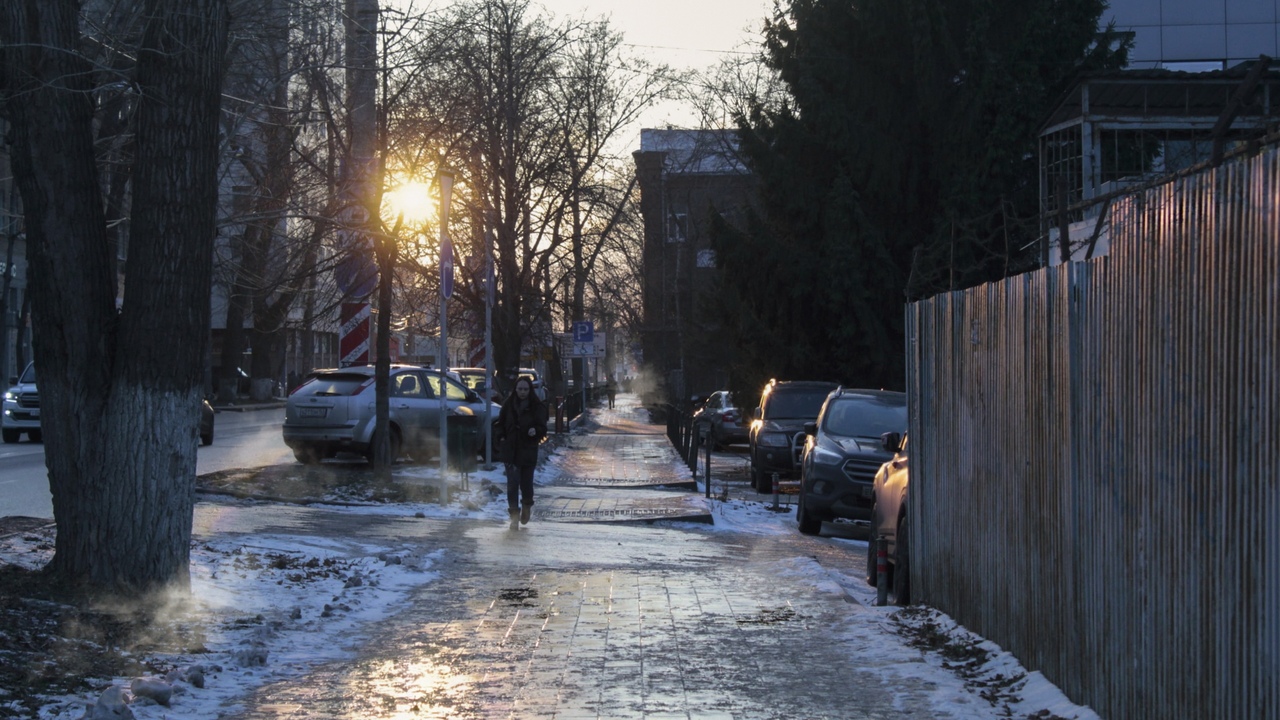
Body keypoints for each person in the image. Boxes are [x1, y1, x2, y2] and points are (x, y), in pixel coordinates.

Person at [496, 376, 548, 529]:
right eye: (520, 389)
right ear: (515, 389)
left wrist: (536, 431)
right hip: (511, 450)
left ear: (530, 390)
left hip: (527, 450)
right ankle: (513, 516)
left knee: (526, 484)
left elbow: (543, 428)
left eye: (526, 389)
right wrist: (502, 436)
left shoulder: (536, 406)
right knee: (512, 484)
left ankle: (526, 505)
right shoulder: (509, 404)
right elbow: (500, 424)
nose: (523, 392)